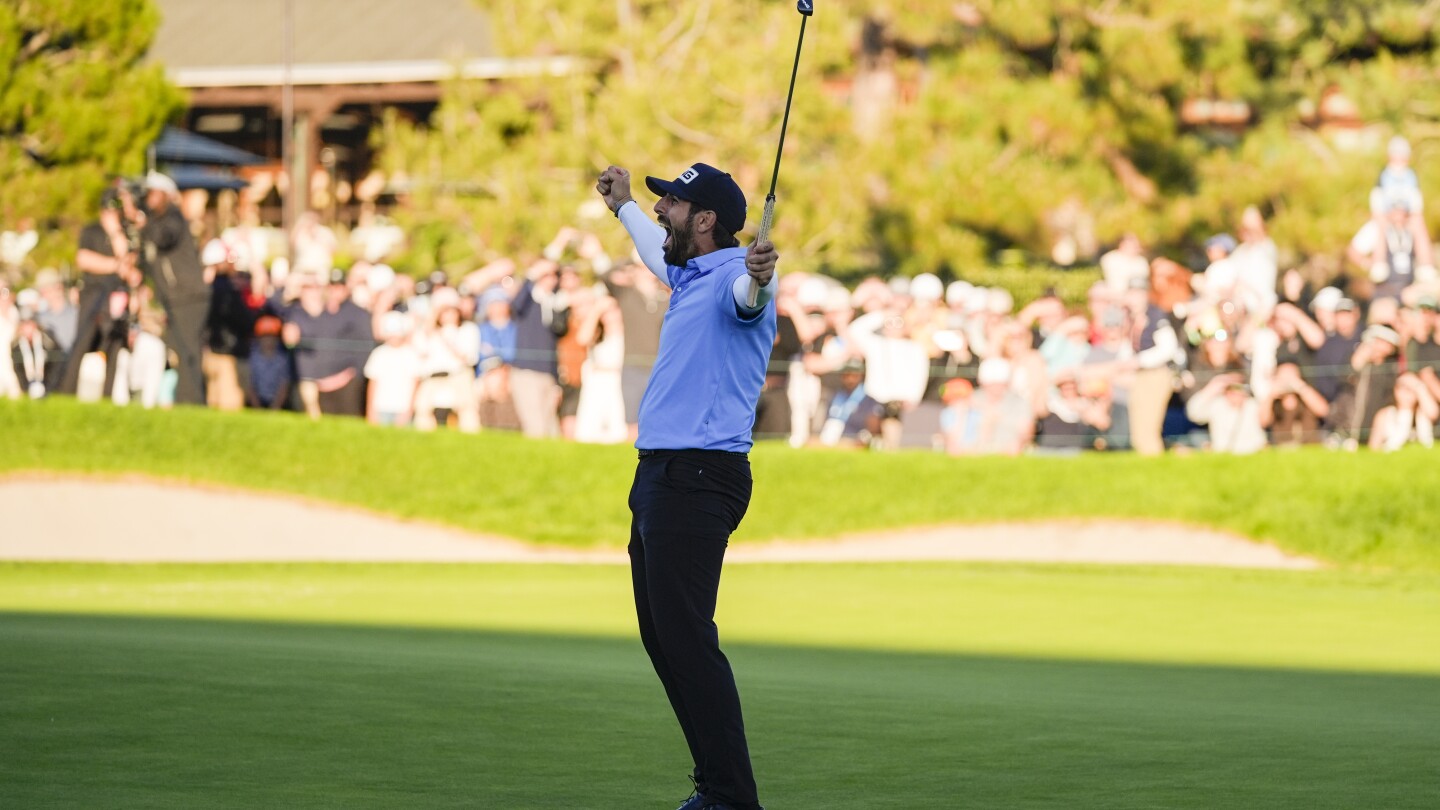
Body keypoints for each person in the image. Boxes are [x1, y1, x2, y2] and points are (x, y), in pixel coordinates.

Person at [596, 161, 776, 810]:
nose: (664, 211)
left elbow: (749, 300)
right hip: (662, 477)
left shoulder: (733, 274)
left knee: (688, 639)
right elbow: (653, 248)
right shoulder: (689, 270)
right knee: (665, 638)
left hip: (699, 476)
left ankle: (731, 798)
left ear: (705, 221)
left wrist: (761, 275)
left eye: (672, 204)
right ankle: (717, 788)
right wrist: (623, 207)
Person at [139, 171, 211, 406]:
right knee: (180, 349)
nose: (148, 198)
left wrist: (144, 223)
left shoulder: (173, 219)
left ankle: (192, 402)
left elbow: (162, 238)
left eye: (152, 193)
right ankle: (186, 400)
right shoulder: (154, 222)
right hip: (174, 297)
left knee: (189, 351)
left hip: (189, 296)